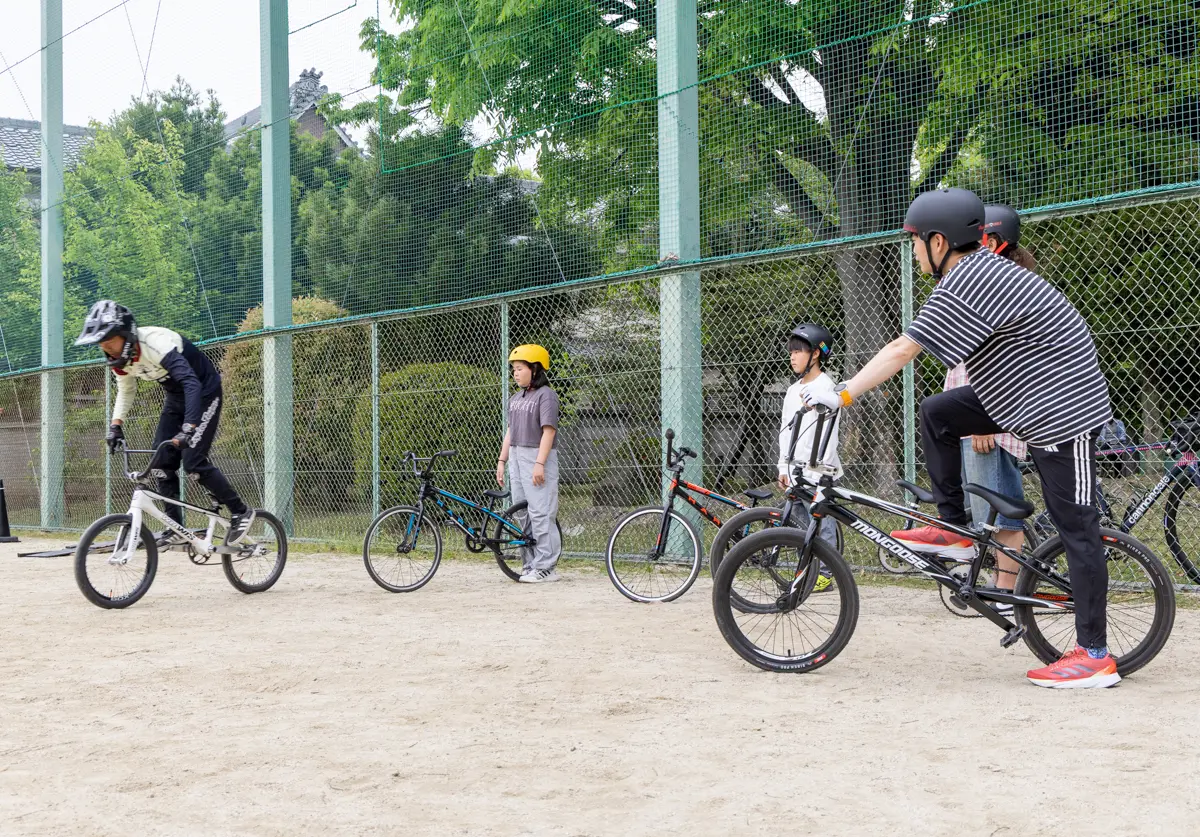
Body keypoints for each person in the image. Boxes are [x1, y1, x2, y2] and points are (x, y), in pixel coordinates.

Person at [802, 187, 1119, 689]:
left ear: (937, 241)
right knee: (939, 412)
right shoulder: (971, 275)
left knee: (1076, 526)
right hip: (1024, 395)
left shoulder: (973, 278)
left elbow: (903, 350)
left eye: (913, 243)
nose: (911, 252)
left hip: (1064, 411)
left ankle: (1094, 655)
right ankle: (954, 531)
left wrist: (842, 394)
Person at [894, 204, 1033, 601]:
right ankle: (990, 573)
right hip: (975, 410)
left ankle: (1006, 588)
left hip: (987, 414)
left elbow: (1002, 360)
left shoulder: (996, 282)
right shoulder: (981, 279)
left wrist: (986, 422)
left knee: (1001, 508)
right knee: (986, 506)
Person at [75, 300, 254, 545]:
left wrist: (189, 428)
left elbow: (191, 382)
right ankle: (176, 529)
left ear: (126, 335)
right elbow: (126, 391)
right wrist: (115, 425)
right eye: (102, 345)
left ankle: (240, 511)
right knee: (161, 463)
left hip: (203, 392)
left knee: (193, 462)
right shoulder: (121, 361)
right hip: (176, 397)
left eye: (109, 342)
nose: (107, 349)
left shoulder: (155, 343)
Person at [496, 344, 562, 583]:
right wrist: (502, 460)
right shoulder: (516, 398)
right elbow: (510, 431)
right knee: (522, 513)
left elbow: (548, 432)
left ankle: (547, 567)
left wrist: (539, 464)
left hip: (537, 456)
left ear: (535, 369)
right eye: (514, 369)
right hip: (515, 456)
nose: (515, 373)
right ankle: (530, 563)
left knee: (541, 511)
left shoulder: (547, 396)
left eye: (520, 368)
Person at [776, 323, 841, 549]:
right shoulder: (793, 390)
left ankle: (825, 571)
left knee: (822, 523)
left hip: (816, 472)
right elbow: (786, 428)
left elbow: (828, 436)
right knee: (798, 525)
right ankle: (807, 571)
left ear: (815, 354)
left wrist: (819, 469)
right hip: (795, 471)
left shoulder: (826, 388)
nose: (792, 357)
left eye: (798, 351)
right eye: (791, 352)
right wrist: (783, 466)